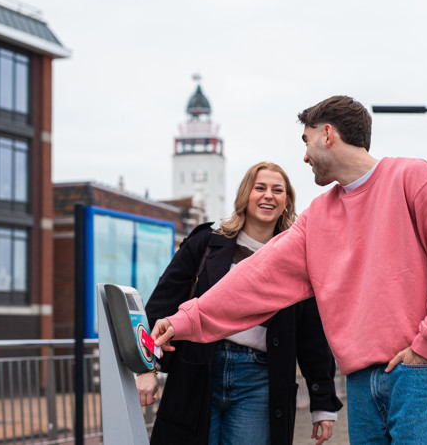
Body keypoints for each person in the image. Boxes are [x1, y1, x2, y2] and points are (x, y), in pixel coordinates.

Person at [150, 95, 427, 444]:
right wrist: (183, 320)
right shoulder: (319, 216)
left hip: (419, 371)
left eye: (306, 141)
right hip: (359, 381)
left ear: (327, 134)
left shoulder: (413, 177)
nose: (305, 156)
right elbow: (256, 278)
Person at [137, 162, 342, 445]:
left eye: (277, 190)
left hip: (260, 379)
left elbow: (312, 335)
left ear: (286, 202)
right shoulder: (205, 243)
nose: (268, 195)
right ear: (245, 195)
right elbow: (161, 304)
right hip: (197, 371)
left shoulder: (298, 259)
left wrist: (323, 403)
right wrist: (146, 367)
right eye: (260, 188)